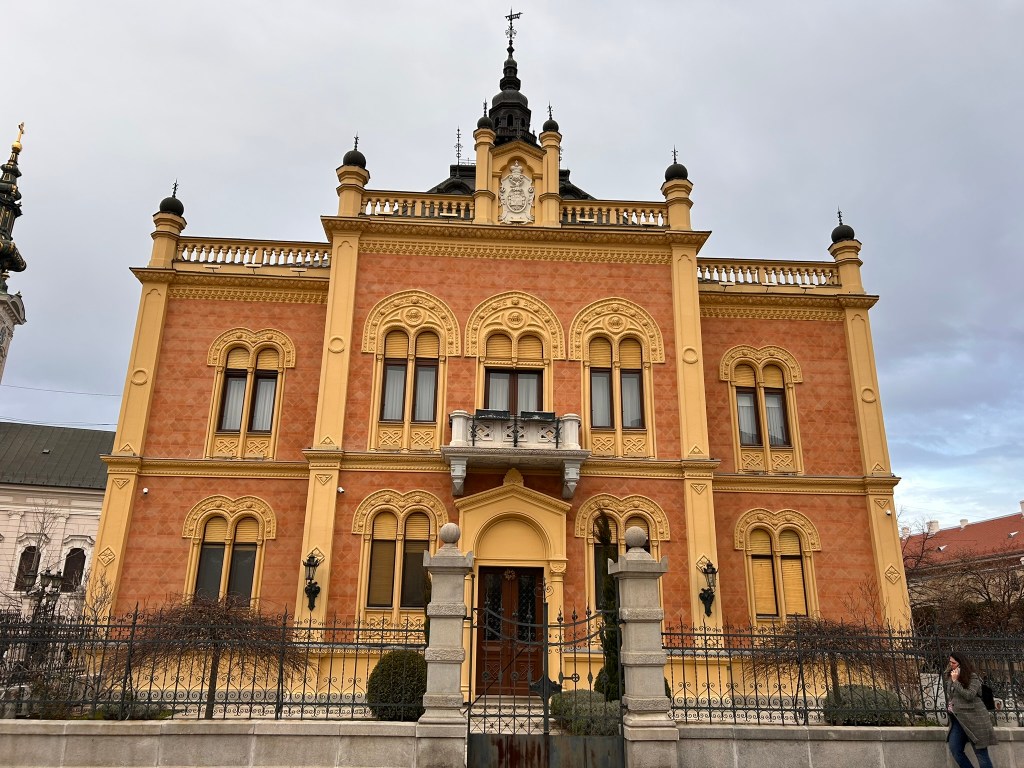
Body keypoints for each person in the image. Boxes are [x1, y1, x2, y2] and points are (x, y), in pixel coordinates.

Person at [946, 651, 997, 768]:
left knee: (981, 755)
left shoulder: (973, 677)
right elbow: (951, 694)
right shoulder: (951, 676)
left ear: (961, 663)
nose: (951, 665)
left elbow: (969, 695)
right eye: (950, 662)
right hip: (958, 720)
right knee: (955, 750)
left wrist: (956, 682)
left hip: (974, 720)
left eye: (953, 663)